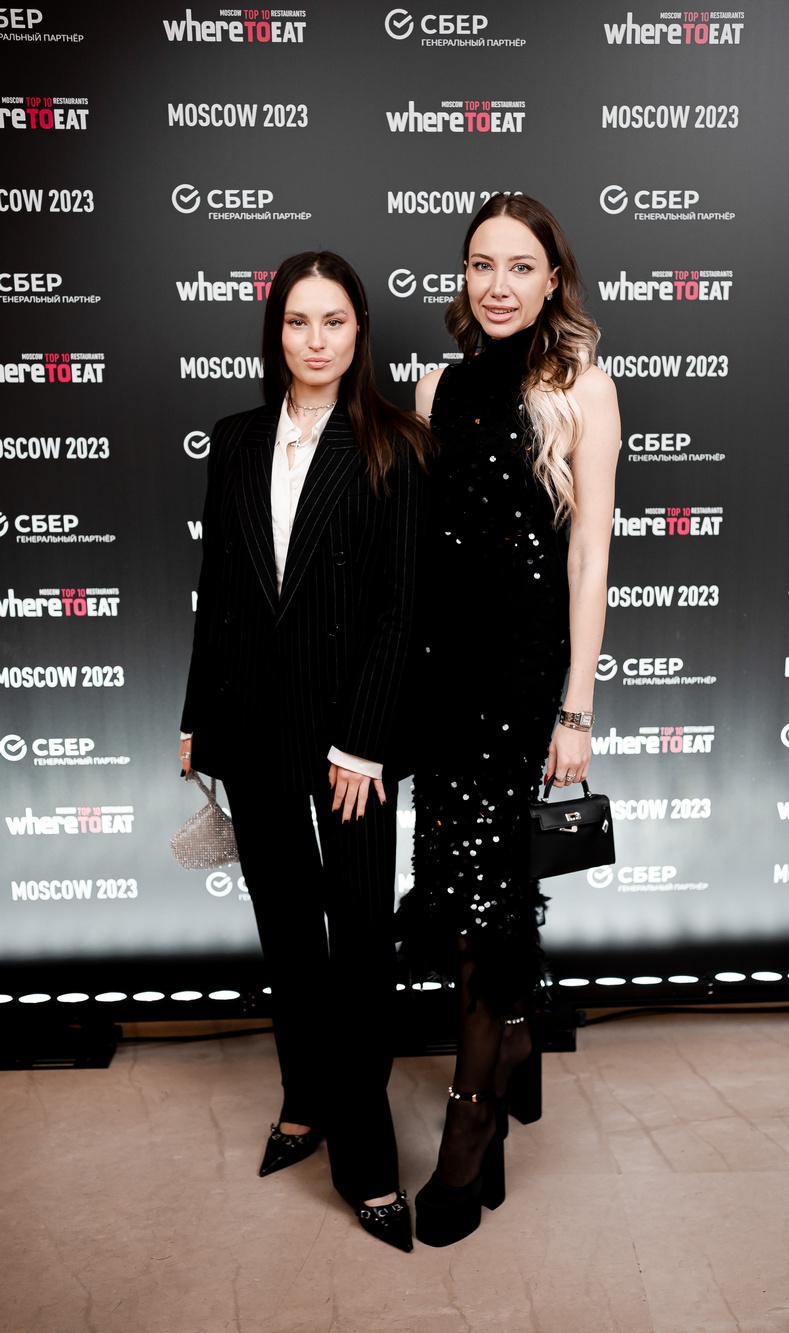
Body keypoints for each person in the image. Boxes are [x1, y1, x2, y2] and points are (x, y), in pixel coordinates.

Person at [179, 251, 432, 1252]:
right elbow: (220, 590)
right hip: (251, 726)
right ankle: (304, 1100)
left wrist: (364, 743)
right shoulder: (236, 440)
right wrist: (198, 717)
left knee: (360, 946)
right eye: (298, 321)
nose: (315, 340)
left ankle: (367, 1161)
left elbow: (404, 609)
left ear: (360, 329)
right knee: (286, 933)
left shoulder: (396, 444)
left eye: (333, 321)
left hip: (352, 744)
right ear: (275, 331)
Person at [396, 195, 620, 1247]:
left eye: (520, 266)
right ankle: (518, 1044)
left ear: (552, 279)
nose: (497, 284)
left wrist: (576, 706)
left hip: (522, 683)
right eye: (481, 264)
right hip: (441, 680)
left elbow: (589, 558)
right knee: (458, 888)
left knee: (494, 900)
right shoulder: (431, 388)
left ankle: (471, 1121)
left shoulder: (583, 388)